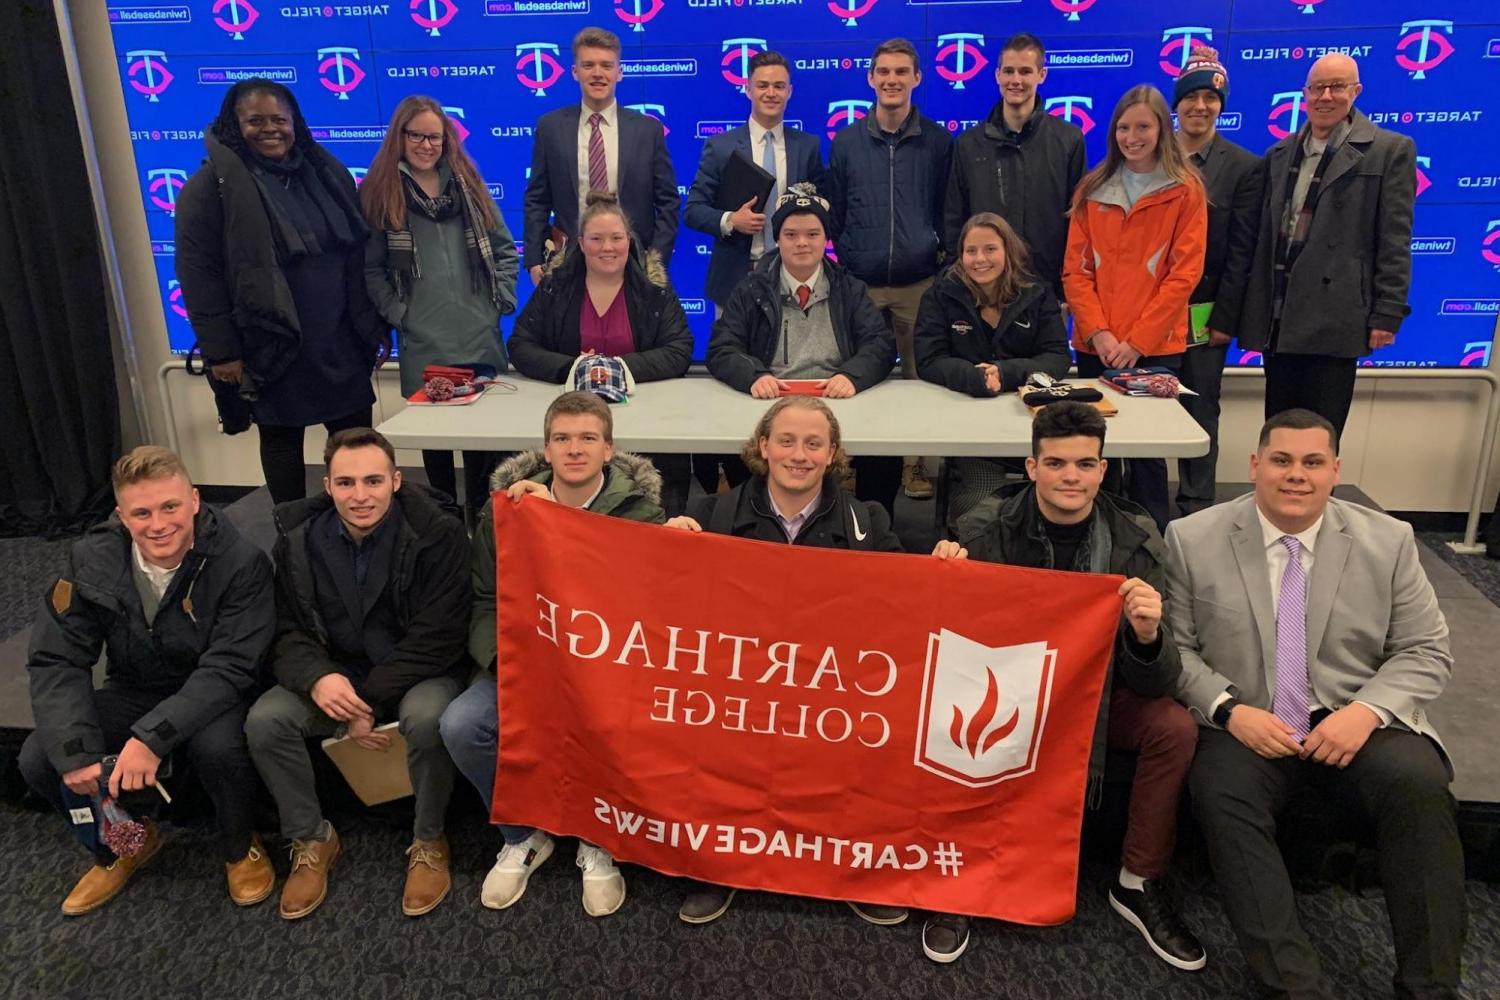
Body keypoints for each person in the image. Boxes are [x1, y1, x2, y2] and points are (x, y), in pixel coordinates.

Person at [1165, 409, 1464, 998]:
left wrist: (1366, 712)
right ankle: (1293, 985)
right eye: (1281, 460)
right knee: (1220, 789)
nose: (1295, 475)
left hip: (1356, 716)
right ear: (1255, 466)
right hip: (1250, 719)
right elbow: (1175, 652)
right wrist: (1228, 710)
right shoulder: (1192, 538)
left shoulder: (1390, 540)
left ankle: (1430, 986)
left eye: (1312, 462)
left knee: (1418, 782)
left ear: (1334, 471)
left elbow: (1427, 650)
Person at [923, 403, 1202, 970]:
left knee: (1173, 726)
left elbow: (1160, 679)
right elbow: (945, 643)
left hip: (1099, 695)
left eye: (1084, 464)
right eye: (1055, 463)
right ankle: (958, 875)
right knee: (944, 707)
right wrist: (941, 584)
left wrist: (1147, 636)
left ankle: (1138, 881)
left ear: (1103, 470)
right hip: (1010, 688)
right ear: (1031, 467)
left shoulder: (1135, 538)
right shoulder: (985, 527)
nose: (1070, 476)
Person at [665, 396, 904, 926]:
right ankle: (717, 867)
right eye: (788, 441)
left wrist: (945, 566)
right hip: (739, 693)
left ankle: (854, 865)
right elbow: (664, 613)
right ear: (764, 447)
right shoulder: (710, 516)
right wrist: (665, 554)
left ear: (833, 453)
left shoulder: (870, 522)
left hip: (831, 693)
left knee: (876, 738)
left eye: (814, 444)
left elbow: (906, 608)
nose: (800, 455)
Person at [20, 447, 274, 914]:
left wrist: (151, 738)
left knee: (218, 749)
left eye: (170, 507)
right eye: (141, 512)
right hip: (134, 686)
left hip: (214, 689)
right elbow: (56, 659)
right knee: (41, 756)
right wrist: (75, 752)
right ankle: (126, 843)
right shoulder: (89, 558)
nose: (158, 524)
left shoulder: (242, 562)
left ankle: (240, 845)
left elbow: (231, 667)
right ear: (121, 515)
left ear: (195, 501)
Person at [439, 391, 664, 917]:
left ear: (609, 449)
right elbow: (483, 598)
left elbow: (654, 605)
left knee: (604, 727)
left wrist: (684, 544)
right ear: (546, 450)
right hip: (522, 666)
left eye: (588, 438)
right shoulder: (508, 514)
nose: (575, 449)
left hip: (605, 673)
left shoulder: (642, 515)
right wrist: (504, 662)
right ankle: (524, 834)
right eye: (562, 439)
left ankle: (596, 835)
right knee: (461, 725)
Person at [244, 428, 470, 920]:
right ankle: (311, 837)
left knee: (429, 717)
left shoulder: (439, 533)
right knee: (266, 720)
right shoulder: (298, 542)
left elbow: (441, 635)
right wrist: (318, 679)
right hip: (335, 670)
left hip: (418, 669)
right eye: (346, 483)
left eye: (373, 480)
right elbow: (285, 628)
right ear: (327, 486)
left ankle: (429, 839)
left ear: (395, 480)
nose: (360, 495)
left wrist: (364, 701)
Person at [175, 78, 386, 505]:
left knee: (355, 445)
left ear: (295, 123)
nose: (270, 129)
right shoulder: (208, 189)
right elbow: (199, 275)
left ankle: (361, 522)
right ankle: (293, 535)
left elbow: (357, 256)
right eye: (255, 120)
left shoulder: (328, 174)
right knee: (281, 442)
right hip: (272, 343)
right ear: (234, 126)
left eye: (279, 120)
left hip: (340, 338)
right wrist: (222, 352)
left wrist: (373, 325)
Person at [1238, 54, 1414, 442]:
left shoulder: (1389, 150)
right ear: (1305, 94)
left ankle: (1318, 503)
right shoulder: (1279, 154)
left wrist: (1386, 313)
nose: (1326, 96)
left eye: (1337, 86)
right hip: (1280, 317)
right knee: (1279, 429)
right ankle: (1278, 501)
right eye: (1318, 87)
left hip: (1337, 316)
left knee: (1322, 433)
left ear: (1356, 92)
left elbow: (1395, 239)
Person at [362, 95, 518, 523]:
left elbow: (505, 250)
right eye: (417, 135)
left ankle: (484, 528)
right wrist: (401, 314)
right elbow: (372, 270)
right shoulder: (381, 193)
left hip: (478, 335)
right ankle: (444, 531)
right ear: (400, 137)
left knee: (484, 446)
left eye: (435, 136)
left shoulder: (469, 185)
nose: (426, 145)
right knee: (436, 452)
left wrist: (499, 301)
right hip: (424, 341)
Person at [1063, 84, 1207, 532]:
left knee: (1147, 457)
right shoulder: (1093, 187)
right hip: (1097, 346)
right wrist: (1100, 334)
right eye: (1123, 127)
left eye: (1142, 126)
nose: (1132, 136)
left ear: (1163, 128)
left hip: (1155, 348)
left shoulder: (1185, 191)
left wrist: (1136, 342)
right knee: (1095, 448)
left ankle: (1149, 546)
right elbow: (1075, 273)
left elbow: (1183, 276)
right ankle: (1094, 538)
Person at [706, 185, 900, 514]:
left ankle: (870, 534)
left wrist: (852, 375)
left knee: (885, 455)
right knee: (738, 449)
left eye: (812, 234)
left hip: (838, 400)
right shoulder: (751, 288)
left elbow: (881, 344)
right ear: (777, 239)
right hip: (771, 402)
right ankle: (751, 530)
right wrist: (753, 375)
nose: (801, 243)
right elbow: (721, 347)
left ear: (825, 240)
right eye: (791, 234)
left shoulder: (849, 289)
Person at [508, 193, 694, 515]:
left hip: (646, 424)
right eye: (596, 238)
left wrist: (619, 369)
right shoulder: (555, 289)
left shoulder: (654, 292)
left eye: (616, 238)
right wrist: (575, 367)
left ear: (629, 241)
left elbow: (680, 349)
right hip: (576, 425)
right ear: (580, 242)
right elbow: (520, 344)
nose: (607, 248)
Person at [827, 37, 953, 501]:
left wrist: (941, 262)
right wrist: (847, 259)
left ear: (917, 78)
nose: (892, 80)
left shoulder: (938, 141)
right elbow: (835, 210)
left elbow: (948, 208)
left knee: (919, 381)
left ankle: (914, 466)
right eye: (883, 72)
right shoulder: (847, 141)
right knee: (855, 379)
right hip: (859, 282)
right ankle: (850, 464)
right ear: (871, 79)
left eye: (902, 72)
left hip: (920, 283)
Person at [913, 212, 1070, 527]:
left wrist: (1005, 372)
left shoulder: (1037, 292)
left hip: (1028, 419)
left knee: (1060, 494)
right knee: (981, 499)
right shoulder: (942, 292)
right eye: (971, 251)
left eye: (989, 249)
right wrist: (973, 378)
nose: (979, 259)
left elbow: (1056, 357)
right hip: (968, 419)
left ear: (1007, 251)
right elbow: (928, 359)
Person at [1171, 46, 1265, 517]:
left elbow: (1243, 252)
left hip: (1207, 311)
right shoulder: (1150, 154)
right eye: (1191, 97)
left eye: (1210, 97)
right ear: (1177, 102)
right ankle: (1133, 501)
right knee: (1141, 407)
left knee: (1201, 406)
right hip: (1148, 312)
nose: (1200, 106)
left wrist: (1226, 317)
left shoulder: (1244, 167)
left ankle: (1196, 505)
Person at [522, 26, 678, 284]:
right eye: (588, 65)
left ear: (619, 72)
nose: (597, 74)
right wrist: (534, 259)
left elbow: (669, 203)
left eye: (606, 66)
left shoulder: (647, 130)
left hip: (634, 265)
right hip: (569, 263)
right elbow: (537, 199)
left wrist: (654, 263)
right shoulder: (550, 128)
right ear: (575, 72)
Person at [943, 33, 1085, 303]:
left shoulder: (1068, 140)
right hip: (982, 292)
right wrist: (960, 282)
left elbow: (1079, 221)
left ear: (1041, 74)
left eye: (1025, 71)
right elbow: (954, 220)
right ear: (997, 75)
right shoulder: (968, 145)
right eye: (1008, 71)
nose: (1016, 80)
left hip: (1048, 291)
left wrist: (1068, 286)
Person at [685, 50, 825, 312]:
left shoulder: (808, 147)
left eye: (778, 86)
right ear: (748, 90)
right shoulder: (720, 147)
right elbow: (693, 210)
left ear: (789, 92)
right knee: (732, 353)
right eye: (762, 85)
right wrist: (730, 220)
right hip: (735, 280)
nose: (771, 93)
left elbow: (822, 208)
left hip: (793, 278)